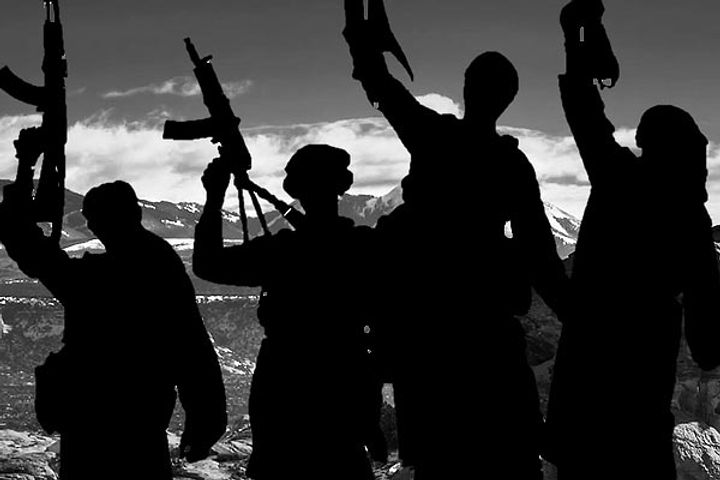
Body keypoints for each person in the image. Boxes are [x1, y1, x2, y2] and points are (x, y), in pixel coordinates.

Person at [343, 13, 570, 480]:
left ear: (466, 88)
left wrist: (364, 48)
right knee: (509, 463)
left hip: (429, 349)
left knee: (440, 465)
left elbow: (383, 87)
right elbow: (542, 260)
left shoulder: (433, 136)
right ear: (508, 99)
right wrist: (583, 317)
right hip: (489, 345)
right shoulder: (511, 166)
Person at [545, 3, 720, 479]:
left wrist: (576, 36)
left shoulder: (615, 175)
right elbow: (707, 345)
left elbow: (583, 110)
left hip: (580, 406)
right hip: (639, 417)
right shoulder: (691, 220)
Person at [0, 129, 227, 480]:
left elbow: (35, 254)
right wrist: (205, 420)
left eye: (95, 219)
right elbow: (192, 347)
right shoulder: (158, 263)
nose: (92, 226)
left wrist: (26, 166)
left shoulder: (111, 275)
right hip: (139, 420)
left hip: (100, 423)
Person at [193, 145, 380, 480]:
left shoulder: (281, 252)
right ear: (342, 186)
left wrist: (214, 198)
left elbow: (208, 264)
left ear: (296, 191)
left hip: (283, 385)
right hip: (346, 381)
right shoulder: (365, 247)